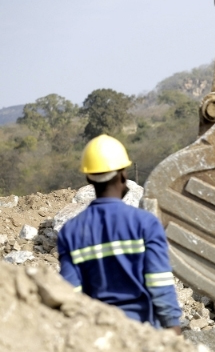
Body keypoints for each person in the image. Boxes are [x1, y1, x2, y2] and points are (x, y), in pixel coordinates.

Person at [58, 135, 183, 333]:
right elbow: (159, 282)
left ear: (89, 178)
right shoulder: (145, 223)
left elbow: (70, 292)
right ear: (123, 175)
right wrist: (173, 328)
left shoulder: (70, 232)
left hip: (97, 335)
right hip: (142, 332)